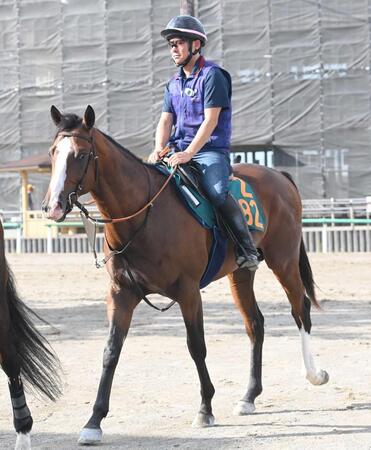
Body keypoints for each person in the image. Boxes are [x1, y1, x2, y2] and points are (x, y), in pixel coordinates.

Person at [148, 15, 258, 271]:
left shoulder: (213, 76)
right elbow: (165, 121)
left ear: (196, 45)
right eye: (171, 44)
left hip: (208, 152)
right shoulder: (173, 83)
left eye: (178, 43)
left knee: (217, 193)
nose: (173, 48)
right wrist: (158, 147)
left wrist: (188, 153)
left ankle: (246, 248)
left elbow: (210, 121)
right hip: (177, 150)